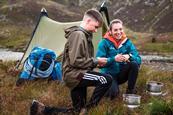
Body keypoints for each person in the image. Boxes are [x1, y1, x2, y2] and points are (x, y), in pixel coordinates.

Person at [30, 9, 112, 115]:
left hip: (76, 74)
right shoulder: (79, 35)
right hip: (75, 75)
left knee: (76, 111)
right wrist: (96, 61)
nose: (96, 31)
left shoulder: (83, 35)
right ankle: (89, 110)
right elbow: (76, 61)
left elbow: (80, 60)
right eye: (95, 27)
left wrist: (97, 63)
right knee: (105, 79)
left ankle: (40, 110)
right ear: (88, 20)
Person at [96, 19, 141, 100]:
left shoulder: (127, 42)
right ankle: (108, 89)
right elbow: (99, 64)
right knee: (113, 94)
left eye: (120, 29)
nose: (119, 32)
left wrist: (129, 56)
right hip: (108, 75)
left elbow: (139, 60)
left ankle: (130, 92)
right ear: (110, 31)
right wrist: (113, 59)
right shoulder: (104, 43)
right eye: (115, 30)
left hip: (121, 74)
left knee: (133, 64)